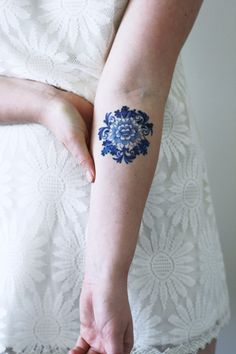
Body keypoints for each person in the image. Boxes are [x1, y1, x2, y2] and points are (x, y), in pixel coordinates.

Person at [0, 1, 231, 354]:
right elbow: (137, 86)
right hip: (20, 217)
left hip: (141, 221)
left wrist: (106, 276)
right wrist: (42, 103)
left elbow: (137, 86)